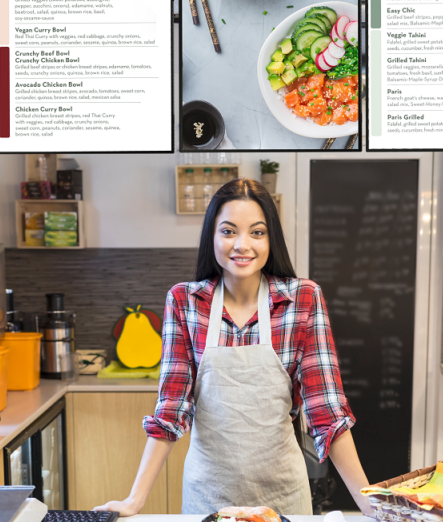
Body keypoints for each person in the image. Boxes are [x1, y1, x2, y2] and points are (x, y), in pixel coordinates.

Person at [96, 179, 372, 516]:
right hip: (207, 495)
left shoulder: (302, 299)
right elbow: (171, 410)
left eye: (257, 232)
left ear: (271, 238)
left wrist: (369, 504)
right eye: (228, 231)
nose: (242, 244)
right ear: (212, 237)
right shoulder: (185, 301)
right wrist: (134, 499)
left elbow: (326, 411)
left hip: (282, 495)